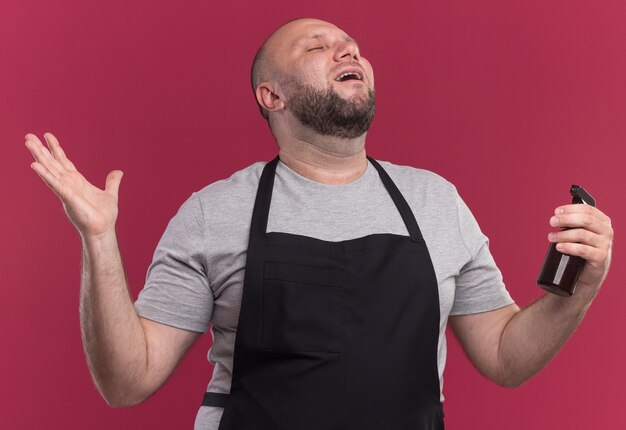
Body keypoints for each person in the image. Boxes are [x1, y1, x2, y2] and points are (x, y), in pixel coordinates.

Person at [25, 18, 613, 430]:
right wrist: (99, 241)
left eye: (352, 45)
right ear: (271, 95)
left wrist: (576, 294)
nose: (347, 51)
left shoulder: (436, 202)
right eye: (318, 46)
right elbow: (127, 384)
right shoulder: (214, 213)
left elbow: (506, 359)